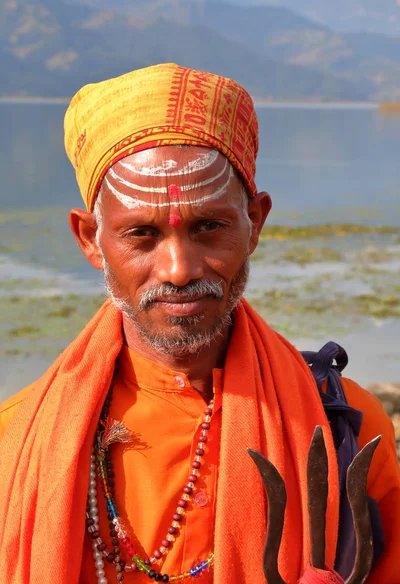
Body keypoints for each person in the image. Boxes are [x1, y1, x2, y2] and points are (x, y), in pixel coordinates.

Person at [0, 63, 399, 584]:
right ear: (89, 239)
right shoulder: (17, 440)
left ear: (254, 222)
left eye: (209, 226)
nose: (179, 269)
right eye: (141, 234)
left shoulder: (345, 431)